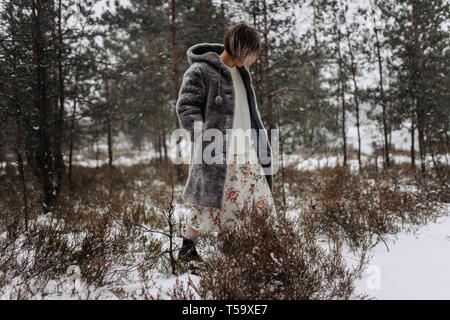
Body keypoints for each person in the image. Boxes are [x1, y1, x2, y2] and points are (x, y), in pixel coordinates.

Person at [176, 23, 276, 263]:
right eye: (249, 52)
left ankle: (265, 248)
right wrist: (204, 138)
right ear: (238, 46)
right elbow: (186, 107)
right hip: (219, 151)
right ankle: (188, 249)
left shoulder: (242, 73)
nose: (250, 59)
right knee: (210, 201)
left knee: (260, 201)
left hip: (247, 149)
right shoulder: (201, 71)